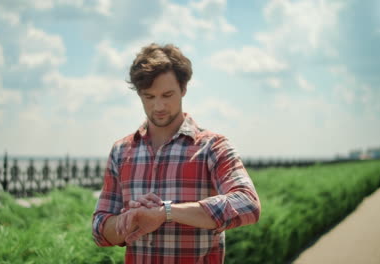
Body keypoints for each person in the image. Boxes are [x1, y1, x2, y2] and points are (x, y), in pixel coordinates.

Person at [92, 43, 261, 263]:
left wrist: (165, 213)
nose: (158, 106)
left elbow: (248, 204)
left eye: (167, 94)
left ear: (183, 89)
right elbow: (99, 230)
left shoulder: (212, 146)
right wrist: (131, 219)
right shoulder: (121, 152)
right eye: (149, 97)